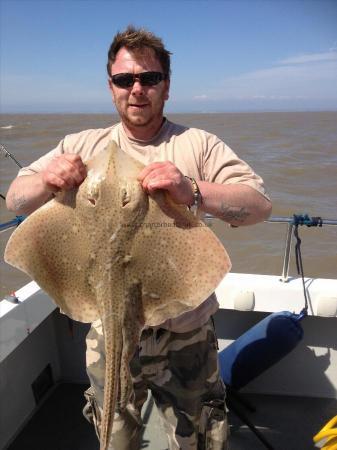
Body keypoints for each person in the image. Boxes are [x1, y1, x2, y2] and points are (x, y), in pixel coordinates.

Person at [6, 26, 272, 450]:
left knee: (199, 433)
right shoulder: (80, 144)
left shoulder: (198, 144)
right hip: (105, 321)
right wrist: (47, 180)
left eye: (149, 78)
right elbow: (17, 200)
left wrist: (192, 189)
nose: (137, 89)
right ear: (110, 86)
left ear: (166, 86)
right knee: (112, 431)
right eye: (124, 79)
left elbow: (259, 205)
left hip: (184, 327)